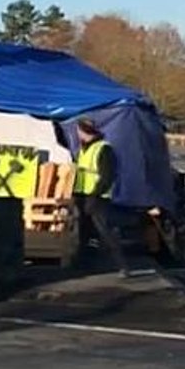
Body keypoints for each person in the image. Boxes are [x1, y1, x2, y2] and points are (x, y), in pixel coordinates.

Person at [71, 117, 130, 276]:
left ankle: (122, 265)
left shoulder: (103, 148)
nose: (77, 134)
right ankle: (86, 262)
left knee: (105, 231)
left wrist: (95, 194)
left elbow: (107, 176)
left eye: (78, 130)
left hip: (97, 197)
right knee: (86, 232)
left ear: (83, 131)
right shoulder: (84, 149)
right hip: (83, 195)